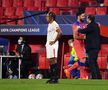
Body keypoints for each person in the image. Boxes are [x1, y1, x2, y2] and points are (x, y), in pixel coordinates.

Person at [64, 10, 88, 79]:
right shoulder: (75, 25)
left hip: (82, 44)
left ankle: (68, 70)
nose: (84, 17)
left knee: (82, 60)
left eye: (84, 16)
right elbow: (75, 37)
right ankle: (82, 76)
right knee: (83, 60)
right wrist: (84, 37)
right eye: (83, 16)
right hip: (77, 44)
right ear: (78, 16)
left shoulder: (84, 25)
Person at [78, 15, 102, 79]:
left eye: (87, 18)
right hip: (95, 47)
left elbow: (85, 30)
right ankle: (98, 77)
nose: (86, 20)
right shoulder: (95, 25)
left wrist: (79, 29)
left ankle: (94, 77)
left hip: (92, 48)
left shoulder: (92, 25)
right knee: (94, 62)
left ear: (89, 19)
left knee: (91, 62)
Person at [45, 12, 62, 83]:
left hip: (53, 45)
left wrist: (54, 41)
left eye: (47, 16)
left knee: (53, 60)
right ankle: (52, 77)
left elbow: (60, 33)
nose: (46, 18)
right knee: (50, 61)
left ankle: (55, 78)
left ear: (51, 17)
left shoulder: (55, 24)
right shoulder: (49, 24)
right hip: (49, 45)